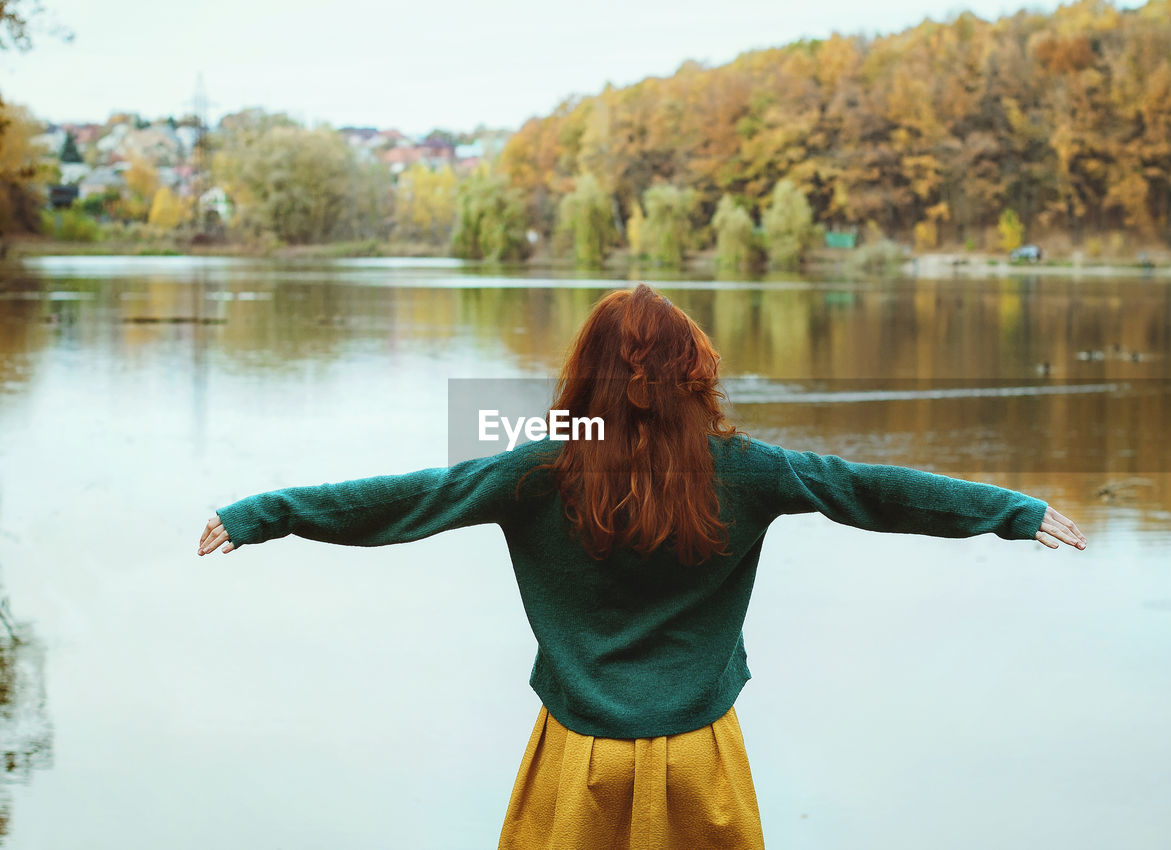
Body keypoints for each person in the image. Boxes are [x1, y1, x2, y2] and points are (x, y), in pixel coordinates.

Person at [197, 283, 1086, 849]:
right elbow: (873, 491)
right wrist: (1009, 510)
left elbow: (404, 498)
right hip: (699, 752)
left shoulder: (537, 460)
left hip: (579, 755)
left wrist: (260, 515)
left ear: (584, 373)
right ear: (693, 372)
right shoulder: (747, 466)